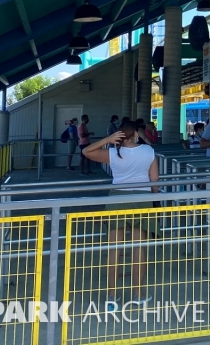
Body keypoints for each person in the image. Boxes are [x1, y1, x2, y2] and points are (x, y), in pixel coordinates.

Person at [81, 120, 159, 302]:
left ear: (119, 136)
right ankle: (138, 294)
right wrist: (154, 199)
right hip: (142, 199)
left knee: (114, 250)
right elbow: (154, 181)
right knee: (139, 249)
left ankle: (111, 295)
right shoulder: (149, 151)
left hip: (117, 199)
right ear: (136, 134)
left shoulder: (113, 153)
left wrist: (107, 139)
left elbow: (86, 151)